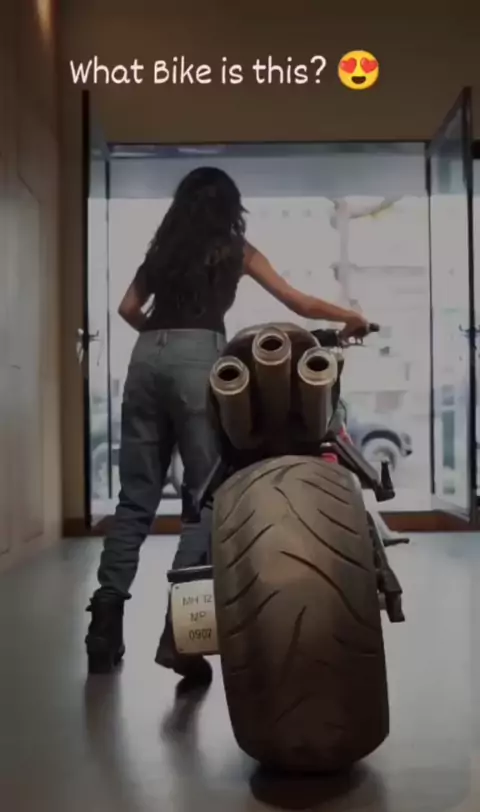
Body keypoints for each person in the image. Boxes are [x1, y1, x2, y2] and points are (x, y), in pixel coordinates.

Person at [85, 166, 370, 682]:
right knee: (207, 494)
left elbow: (128, 307)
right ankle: (181, 634)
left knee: (135, 500)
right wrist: (350, 317)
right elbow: (298, 302)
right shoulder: (235, 249)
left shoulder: (162, 252)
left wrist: (162, 337)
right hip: (198, 358)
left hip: (145, 357)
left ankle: (104, 623)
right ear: (229, 207)